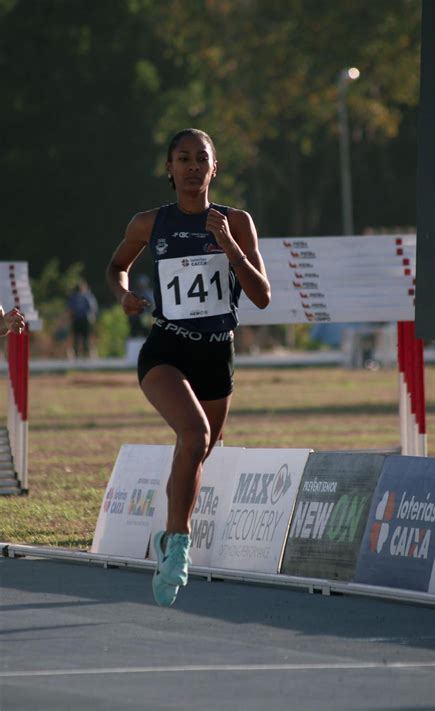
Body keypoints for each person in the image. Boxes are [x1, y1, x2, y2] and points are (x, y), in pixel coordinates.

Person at [106, 128, 271, 607]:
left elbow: (261, 296)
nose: (193, 166)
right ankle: (177, 543)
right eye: (184, 158)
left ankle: (169, 533)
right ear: (170, 169)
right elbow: (116, 265)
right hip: (167, 349)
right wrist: (124, 296)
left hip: (217, 354)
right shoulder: (148, 223)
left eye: (202, 158)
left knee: (200, 449)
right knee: (195, 435)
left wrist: (230, 247)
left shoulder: (236, 221)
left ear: (215, 168)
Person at [67, 280, 98, 358]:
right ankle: (84, 355)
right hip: (83, 320)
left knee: (79, 338)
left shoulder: (74, 296)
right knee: (84, 338)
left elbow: (70, 309)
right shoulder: (87, 296)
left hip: (79, 320)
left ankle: (80, 355)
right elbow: (93, 308)